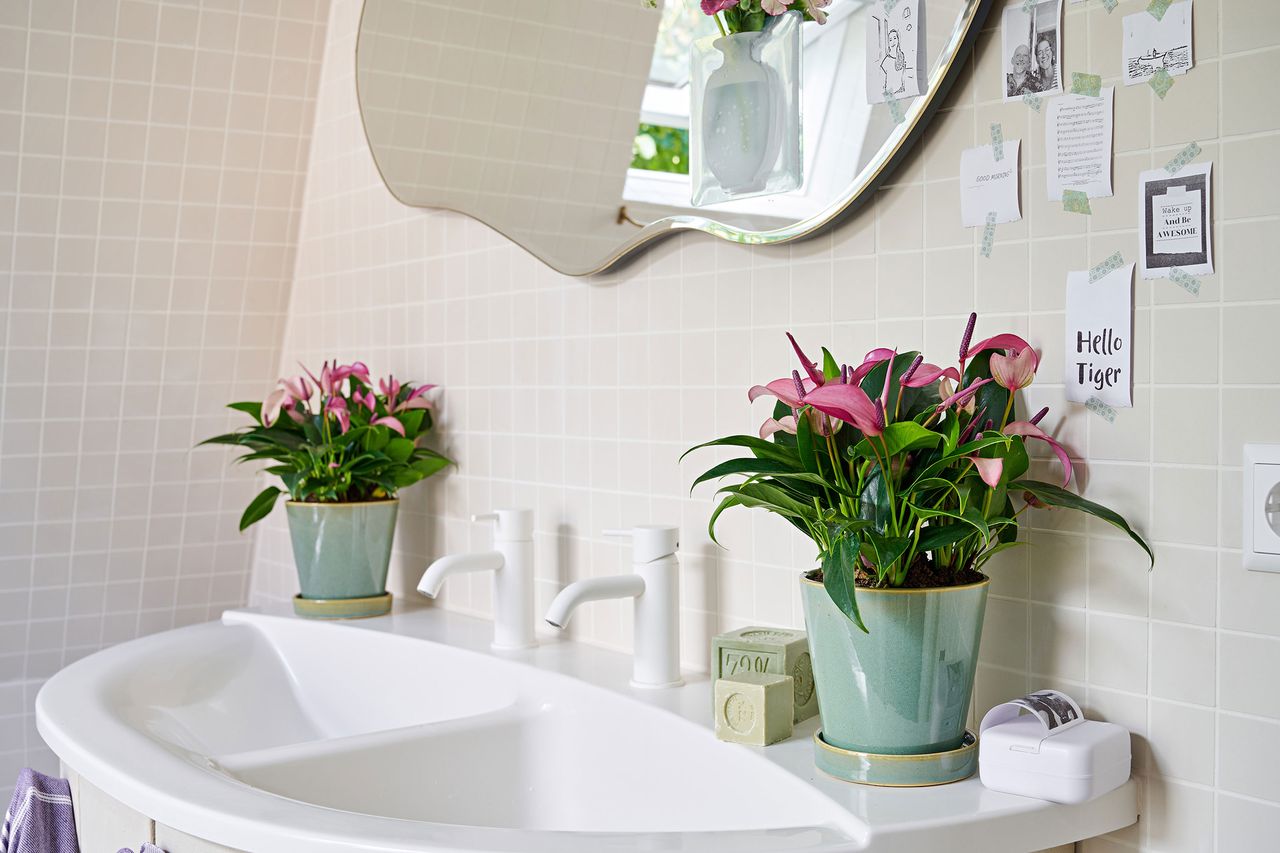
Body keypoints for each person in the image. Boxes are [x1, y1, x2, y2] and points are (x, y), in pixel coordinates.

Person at [880, 29, 908, 96]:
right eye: (890, 40)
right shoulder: (887, 60)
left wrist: (903, 87)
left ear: (898, 40)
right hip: (890, 94)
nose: (893, 41)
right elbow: (883, 81)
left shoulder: (901, 55)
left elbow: (903, 74)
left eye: (895, 38)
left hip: (901, 91)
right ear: (888, 43)